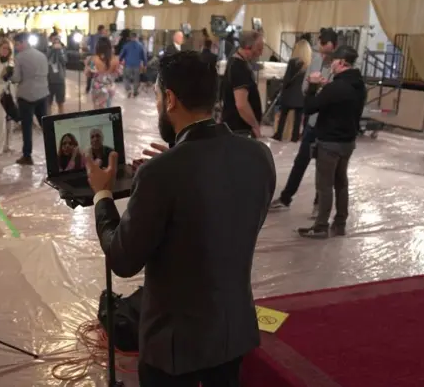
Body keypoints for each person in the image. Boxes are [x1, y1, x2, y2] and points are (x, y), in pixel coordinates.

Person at [86, 51, 276, 386]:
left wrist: (102, 193)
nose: (159, 104)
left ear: (170, 99)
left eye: (159, 97)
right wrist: (172, 167)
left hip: (175, 347)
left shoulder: (162, 173)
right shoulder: (259, 155)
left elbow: (122, 258)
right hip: (234, 334)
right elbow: (225, 218)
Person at [296, 45, 366, 239]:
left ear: (342, 63)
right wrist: (326, 88)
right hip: (348, 141)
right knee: (341, 183)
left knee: (325, 185)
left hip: (329, 142)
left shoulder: (336, 87)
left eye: (334, 61)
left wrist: (312, 86)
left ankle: (320, 226)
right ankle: (340, 222)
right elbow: (341, 101)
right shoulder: (358, 85)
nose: (331, 64)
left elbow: (309, 108)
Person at [269, 28, 338, 216]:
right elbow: (305, 86)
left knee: (323, 167)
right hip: (313, 121)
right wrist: (313, 85)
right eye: (321, 44)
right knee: (301, 161)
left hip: (328, 124)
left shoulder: (339, 65)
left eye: (326, 44)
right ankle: (285, 197)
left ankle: (319, 204)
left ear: (334, 45)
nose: (322, 48)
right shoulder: (315, 61)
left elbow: (339, 91)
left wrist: (325, 86)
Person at [11, 32, 50, 166]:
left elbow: (17, 78)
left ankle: (27, 156)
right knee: (46, 124)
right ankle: (54, 151)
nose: (16, 47)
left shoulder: (20, 57)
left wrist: (9, 75)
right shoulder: (42, 55)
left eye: (16, 44)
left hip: (26, 96)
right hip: (43, 94)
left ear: (23, 43)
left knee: (27, 127)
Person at [221, 30, 264, 137]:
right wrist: (255, 125)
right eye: (259, 48)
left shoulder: (236, 62)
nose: (261, 52)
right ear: (248, 46)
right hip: (240, 130)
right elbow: (241, 104)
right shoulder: (239, 67)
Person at [272, 39, 312, 142]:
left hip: (289, 94)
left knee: (283, 116)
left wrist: (282, 87)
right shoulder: (308, 64)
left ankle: (279, 134)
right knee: (298, 119)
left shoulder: (293, 62)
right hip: (301, 95)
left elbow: (287, 79)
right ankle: (294, 137)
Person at [87, 37, 120, 109]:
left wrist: (88, 67)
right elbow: (117, 74)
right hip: (109, 87)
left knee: (97, 107)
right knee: (107, 107)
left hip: (97, 87)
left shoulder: (93, 59)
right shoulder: (115, 59)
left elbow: (88, 74)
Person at [119, 32, 147, 98]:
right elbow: (144, 56)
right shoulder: (141, 46)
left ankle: (128, 90)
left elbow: (121, 55)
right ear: (136, 37)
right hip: (137, 65)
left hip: (128, 65)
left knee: (126, 78)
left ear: (130, 37)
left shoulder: (126, 45)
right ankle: (135, 92)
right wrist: (145, 64)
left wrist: (120, 60)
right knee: (136, 79)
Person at [47, 33, 67, 115]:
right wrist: (52, 50)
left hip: (60, 80)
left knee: (60, 102)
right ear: (51, 40)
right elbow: (46, 59)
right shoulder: (48, 49)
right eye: (54, 39)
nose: (56, 40)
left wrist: (59, 50)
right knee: (48, 103)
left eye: (57, 38)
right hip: (49, 80)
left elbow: (64, 61)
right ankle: (49, 121)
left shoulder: (63, 49)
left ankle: (61, 120)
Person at [87, 25, 107, 94]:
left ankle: (88, 88)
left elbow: (87, 44)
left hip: (93, 57)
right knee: (99, 73)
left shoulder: (92, 37)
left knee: (91, 73)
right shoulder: (103, 38)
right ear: (101, 30)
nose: (105, 31)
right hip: (99, 59)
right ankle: (97, 88)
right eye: (104, 30)